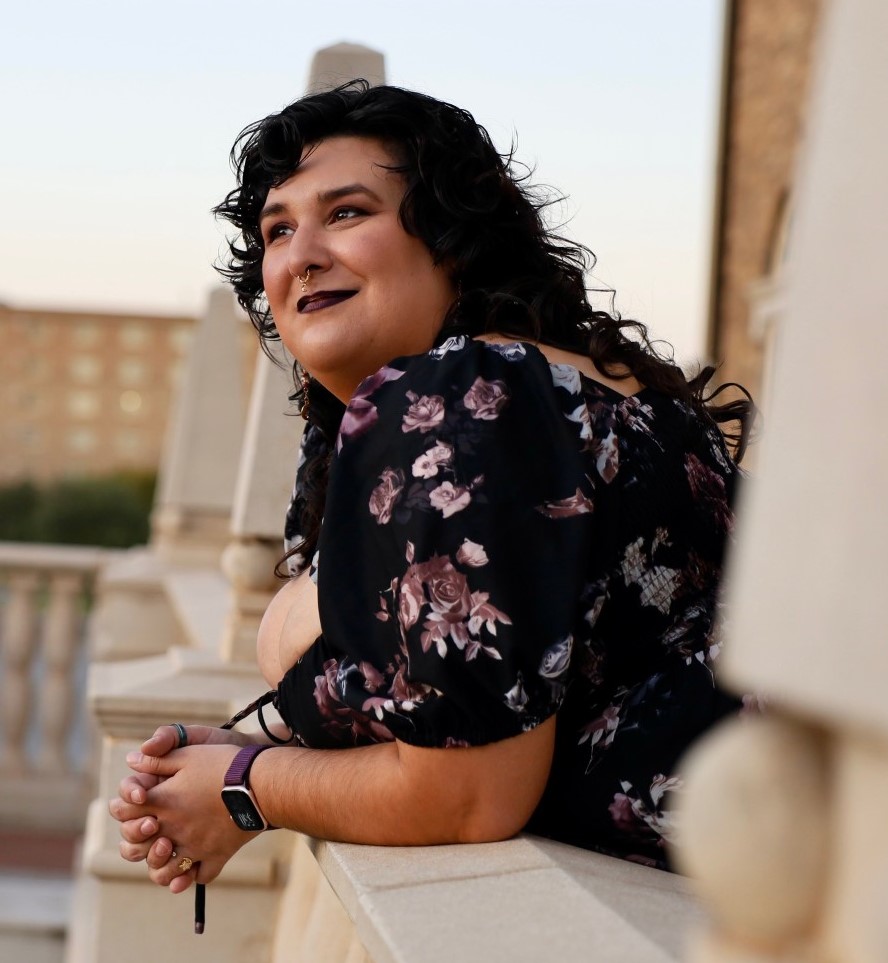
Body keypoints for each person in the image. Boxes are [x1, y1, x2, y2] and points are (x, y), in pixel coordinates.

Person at [109, 81, 752, 893]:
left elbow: (470, 793)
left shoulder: (457, 397)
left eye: (346, 212)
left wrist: (244, 790)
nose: (301, 251)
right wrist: (264, 742)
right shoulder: (585, 391)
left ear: (451, 235)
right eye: (278, 228)